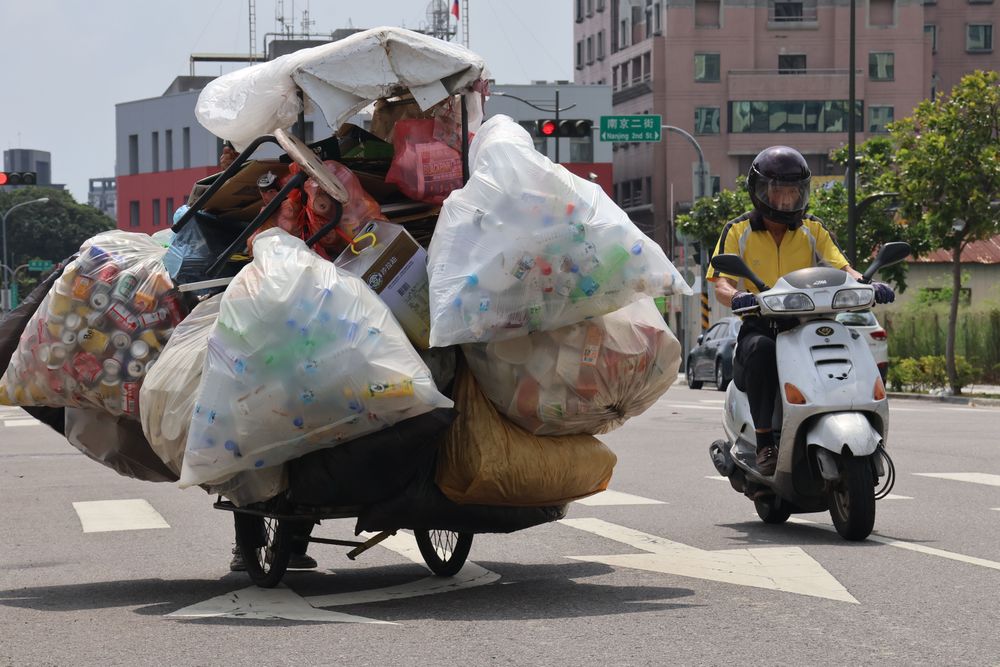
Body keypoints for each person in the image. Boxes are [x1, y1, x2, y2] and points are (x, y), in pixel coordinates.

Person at [707, 146, 895, 478]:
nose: (785, 200)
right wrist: (737, 297)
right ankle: (765, 442)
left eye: (793, 192)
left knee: (851, 341)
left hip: (812, 322)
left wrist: (869, 284)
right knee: (761, 351)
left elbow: (843, 266)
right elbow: (721, 282)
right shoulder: (737, 230)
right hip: (762, 324)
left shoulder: (814, 228)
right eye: (778, 191)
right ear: (760, 191)